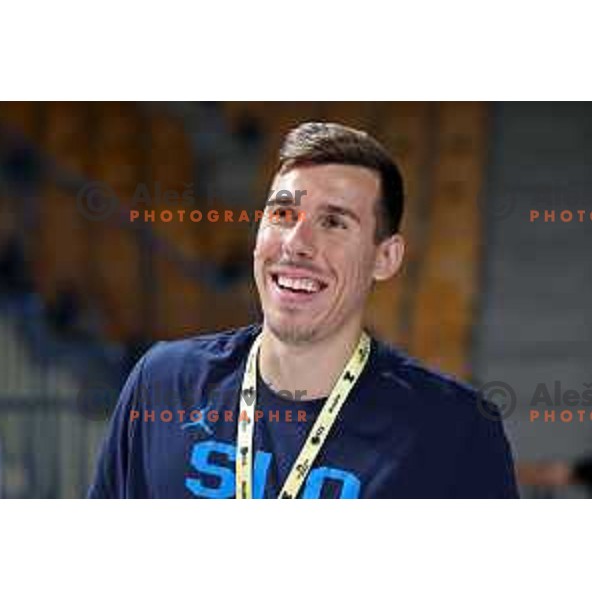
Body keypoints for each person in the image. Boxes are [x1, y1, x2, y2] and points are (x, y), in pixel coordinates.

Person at [88, 122, 518, 499]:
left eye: (333, 222)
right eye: (282, 213)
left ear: (385, 258)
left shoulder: (453, 429)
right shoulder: (164, 383)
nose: (296, 243)